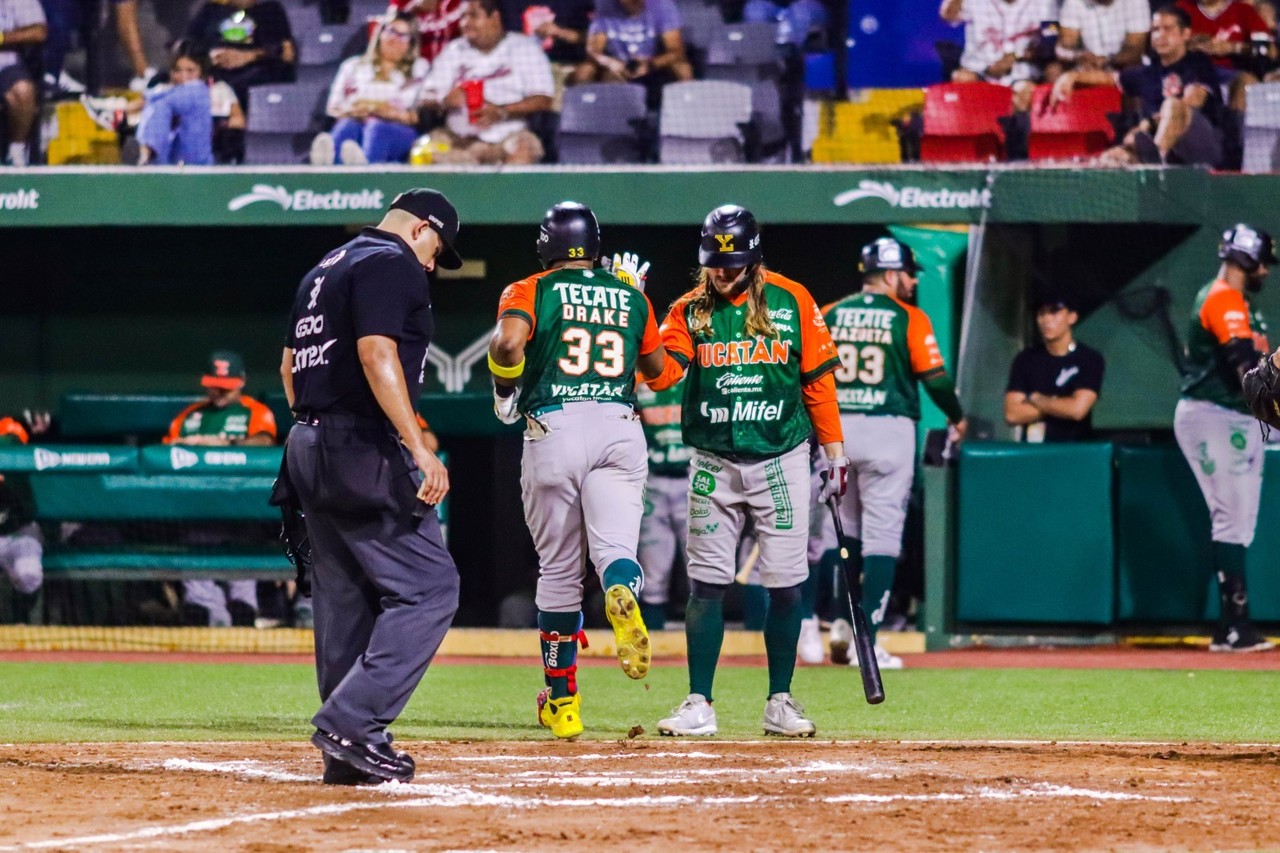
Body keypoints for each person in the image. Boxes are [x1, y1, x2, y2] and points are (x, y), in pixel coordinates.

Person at [279, 188, 461, 784]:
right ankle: (353, 723)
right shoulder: (392, 262)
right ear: (420, 229)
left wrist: (317, 428)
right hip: (360, 446)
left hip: (309, 442)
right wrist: (417, 444)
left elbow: (287, 368)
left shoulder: (323, 267)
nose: (434, 263)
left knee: (345, 596)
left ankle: (345, 753)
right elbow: (376, 351)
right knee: (430, 587)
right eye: (438, 247)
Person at [650, 204, 847, 739]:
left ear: (754, 257)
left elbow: (817, 382)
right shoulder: (688, 308)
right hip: (713, 460)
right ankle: (699, 702)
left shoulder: (793, 298)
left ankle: (780, 700)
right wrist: (639, 315)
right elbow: (663, 375)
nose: (722, 271)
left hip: (780, 455)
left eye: (732, 263)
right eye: (714, 262)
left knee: (785, 586)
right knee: (706, 585)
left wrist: (834, 450)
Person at [488, 203, 669, 740]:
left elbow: (506, 343)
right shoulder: (630, 291)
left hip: (555, 427)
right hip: (618, 424)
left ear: (547, 245)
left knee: (560, 572)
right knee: (616, 552)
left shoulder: (532, 287)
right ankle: (620, 588)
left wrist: (504, 390)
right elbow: (657, 374)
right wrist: (632, 300)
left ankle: (563, 703)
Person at [822, 237, 967, 672]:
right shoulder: (908, 317)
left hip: (838, 430)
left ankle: (838, 623)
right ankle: (868, 641)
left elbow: (802, 372)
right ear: (889, 275)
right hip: (888, 428)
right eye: (906, 274)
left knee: (842, 532)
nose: (910, 282)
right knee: (883, 537)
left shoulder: (828, 313)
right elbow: (936, 379)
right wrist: (956, 415)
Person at [1175, 223, 1276, 653]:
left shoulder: (1242, 304)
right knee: (1230, 516)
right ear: (1247, 259)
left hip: (1237, 417)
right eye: (1263, 262)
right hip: (1213, 415)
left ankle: (1233, 625)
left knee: (1241, 520)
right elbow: (1245, 371)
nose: (1267, 272)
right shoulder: (1222, 298)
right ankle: (1234, 627)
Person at [164, 351, 277, 627]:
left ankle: (243, 608)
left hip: (244, 505)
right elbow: (166, 450)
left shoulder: (255, 411)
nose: (218, 391)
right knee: (197, 544)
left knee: (245, 549)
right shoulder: (190, 415)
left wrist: (221, 444)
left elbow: (264, 442)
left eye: (225, 386)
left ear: (241, 382)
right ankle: (202, 607)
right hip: (198, 505)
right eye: (214, 384)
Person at [1063, 6, 1226, 166]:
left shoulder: (1198, 64)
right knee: (1112, 157)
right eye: (1155, 29)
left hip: (1202, 145)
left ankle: (1156, 167)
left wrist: (1147, 124)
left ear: (1186, 33)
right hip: (1157, 145)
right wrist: (1073, 76)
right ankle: (1151, 162)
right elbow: (1110, 78)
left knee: (1173, 105)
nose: (1160, 35)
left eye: (1168, 29)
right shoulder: (1148, 71)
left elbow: (1192, 101)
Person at [417, 0, 554, 165]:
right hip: (458, 139)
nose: (465, 23)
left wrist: (502, 111)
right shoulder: (454, 50)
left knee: (524, 149)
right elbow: (426, 96)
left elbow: (543, 99)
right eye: (463, 17)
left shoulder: (524, 49)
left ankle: (507, 191)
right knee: (424, 152)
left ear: (494, 18)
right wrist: (444, 100)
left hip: (507, 136)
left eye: (473, 16)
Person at [311, 14, 429, 165]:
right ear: (380, 34)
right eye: (391, 31)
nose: (394, 39)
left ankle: (365, 172)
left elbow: (422, 116)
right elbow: (333, 108)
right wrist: (352, 111)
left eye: (403, 36)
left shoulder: (419, 68)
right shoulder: (352, 66)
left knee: (376, 127)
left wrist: (388, 113)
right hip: (357, 122)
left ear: (411, 43)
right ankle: (329, 165)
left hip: (398, 130)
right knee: (347, 126)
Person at [1003, 296, 1106, 442]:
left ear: (1072, 317)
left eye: (1054, 312)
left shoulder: (1089, 359)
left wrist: (1036, 398)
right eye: (1042, 313)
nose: (1046, 319)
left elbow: (1077, 410)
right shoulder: (1026, 359)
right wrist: (1059, 404)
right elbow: (1012, 414)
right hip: (1035, 452)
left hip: (1075, 451)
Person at [635, 375, 690, 630]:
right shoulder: (636, 379)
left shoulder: (699, 373)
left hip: (695, 478)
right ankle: (653, 650)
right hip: (652, 479)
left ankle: (705, 647)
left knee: (703, 572)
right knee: (652, 575)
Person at [939, 0, 1058, 112]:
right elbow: (948, 15)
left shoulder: (1044, 3)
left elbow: (1051, 41)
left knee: (1027, 94)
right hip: (979, 72)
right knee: (962, 80)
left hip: (1022, 74)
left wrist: (1016, 56)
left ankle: (1014, 132)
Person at [185, 0, 296, 107]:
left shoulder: (270, 10)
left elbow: (287, 54)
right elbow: (188, 48)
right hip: (214, 75)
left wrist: (248, 56)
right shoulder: (210, 11)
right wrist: (210, 57)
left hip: (254, 77)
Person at [571, 0, 692, 88]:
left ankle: (688, 110)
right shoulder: (605, 6)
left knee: (682, 67)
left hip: (654, 65)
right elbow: (593, 50)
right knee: (584, 71)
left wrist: (651, 64)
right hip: (618, 66)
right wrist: (609, 62)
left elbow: (676, 51)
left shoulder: (662, 5)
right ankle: (582, 116)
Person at [0, 411, 47, 624]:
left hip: (20, 531)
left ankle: (21, 622)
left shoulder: (11, 438)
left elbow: (28, 509)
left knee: (28, 574)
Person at [0, 0, 46, 167]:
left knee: (23, 91)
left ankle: (16, 152)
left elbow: (39, 31)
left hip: (6, 65)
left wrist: (2, 37)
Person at [1056, 0, 1150, 72]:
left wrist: (1106, 61)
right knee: (1055, 70)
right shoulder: (1074, 2)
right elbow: (1063, 48)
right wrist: (1077, 56)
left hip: (1123, 68)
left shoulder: (1136, 2)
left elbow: (1135, 51)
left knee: (1133, 70)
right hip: (1088, 68)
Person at [392, 0, 464, 63]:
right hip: (412, 68)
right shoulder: (402, 3)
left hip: (449, 67)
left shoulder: (456, 4)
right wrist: (413, 8)